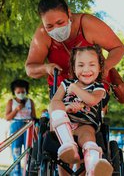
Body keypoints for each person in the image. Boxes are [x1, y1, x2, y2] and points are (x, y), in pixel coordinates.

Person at [25, 0, 124, 103]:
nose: (56, 29)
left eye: (60, 22)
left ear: (69, 13)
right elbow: (30, 68)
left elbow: (118, 48)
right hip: (63, 91)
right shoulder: (42, 33)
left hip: (94, 88)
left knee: (89, 115)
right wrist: (46, 68)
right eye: (49, 26)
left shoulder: (87, 24)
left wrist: (104, 67)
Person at [49, 45, 113, 176]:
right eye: (81, 65)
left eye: (92, 65)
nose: (86, 70)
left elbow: (92, 100)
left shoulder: (98, 88)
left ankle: (94, 167)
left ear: (100, 68)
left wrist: (76, 89)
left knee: (88, 136)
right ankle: (68, 145)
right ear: (74, 67)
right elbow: (54, 102)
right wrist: (65, 108)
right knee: (55, 106)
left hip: (84, 125)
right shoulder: (66, 84)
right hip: (62, 124)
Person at [5, 79, 36, 176]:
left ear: (26, 91)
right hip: (16, 127)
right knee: (16, 152)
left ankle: (27, 173)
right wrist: (16, 110)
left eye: (23, 92)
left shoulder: (30, 102)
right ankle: (16, 174)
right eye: (18, 92)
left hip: (28, 127)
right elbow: (7, 117)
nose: (21, 94)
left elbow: (34, 117)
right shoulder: (11, 102)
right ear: (14, 92)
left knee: (29, 152)